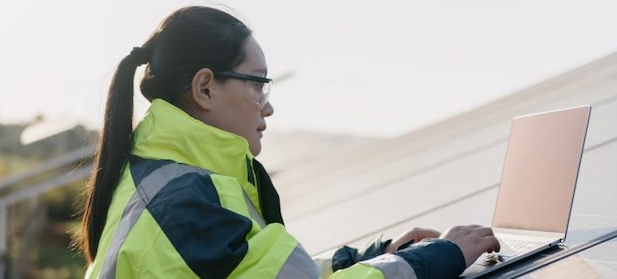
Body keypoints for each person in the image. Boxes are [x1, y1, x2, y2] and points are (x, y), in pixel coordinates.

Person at [75, 6, 501, 279]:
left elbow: (263, 272)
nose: (267, 108)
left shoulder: (161, 180)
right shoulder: (186, 202)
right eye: (258, 86)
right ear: (205, 88)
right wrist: (437, 257)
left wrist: (369, 257)